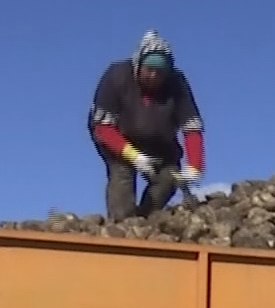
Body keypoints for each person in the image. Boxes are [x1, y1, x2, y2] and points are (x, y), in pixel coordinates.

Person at [88, 30, 205, 221]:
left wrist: (194, 166)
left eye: (160, 72)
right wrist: (134, 156)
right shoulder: (117, 77)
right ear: (138, 64)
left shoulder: (177, 84)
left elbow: (191, 127)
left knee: (170, 177)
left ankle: (145, 221)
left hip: (160, 143)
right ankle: (122, 224)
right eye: (149, 69)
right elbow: (103, 128)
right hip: (118, 138)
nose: (153, 75)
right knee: (122, 175)